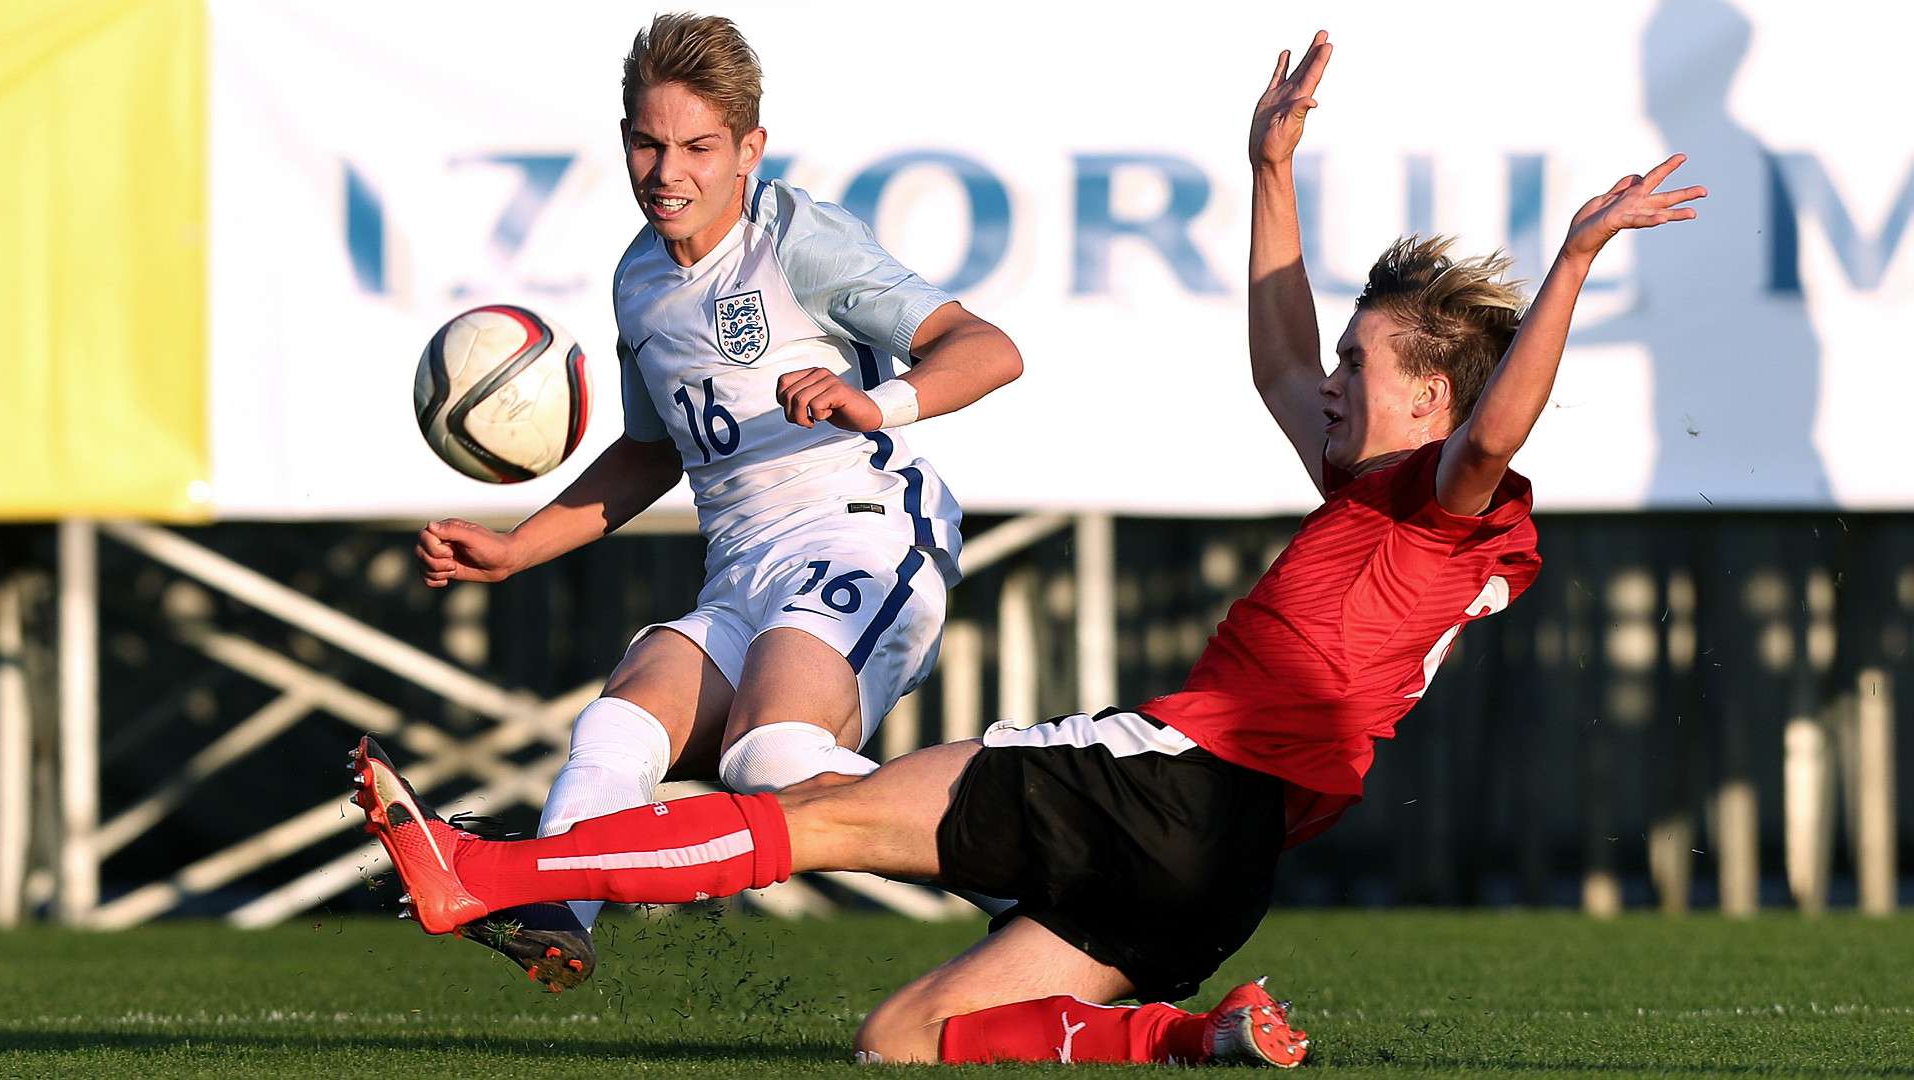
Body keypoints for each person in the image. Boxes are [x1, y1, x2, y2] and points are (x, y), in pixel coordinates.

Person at [356, 29, 1705, 1064]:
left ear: (1432, 402)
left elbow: (1485, 433)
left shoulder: (1445, 490)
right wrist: (1269, 171)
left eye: (1365, 369)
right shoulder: (1378, 499)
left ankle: (502, 872)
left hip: (1162, 781)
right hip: (1224, 878)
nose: (1334, 384)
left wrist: (1575, 261)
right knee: (904, 1037)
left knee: (806, 811)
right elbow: (1280, 358)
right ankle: (1198, 1038)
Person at [407, 12, 1024, 990]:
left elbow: (989, 348)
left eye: (697, 147)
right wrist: (517, 548)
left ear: (750, 149)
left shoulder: (796, 241)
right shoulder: (641, 280)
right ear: (623, 142)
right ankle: (554, 915)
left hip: (864, 532)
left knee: (772, 749)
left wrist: (876, 401)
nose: (668, 172)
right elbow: (651, 454)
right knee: (619, 720)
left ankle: (1052, 884)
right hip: (744, 567)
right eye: (648, 144)